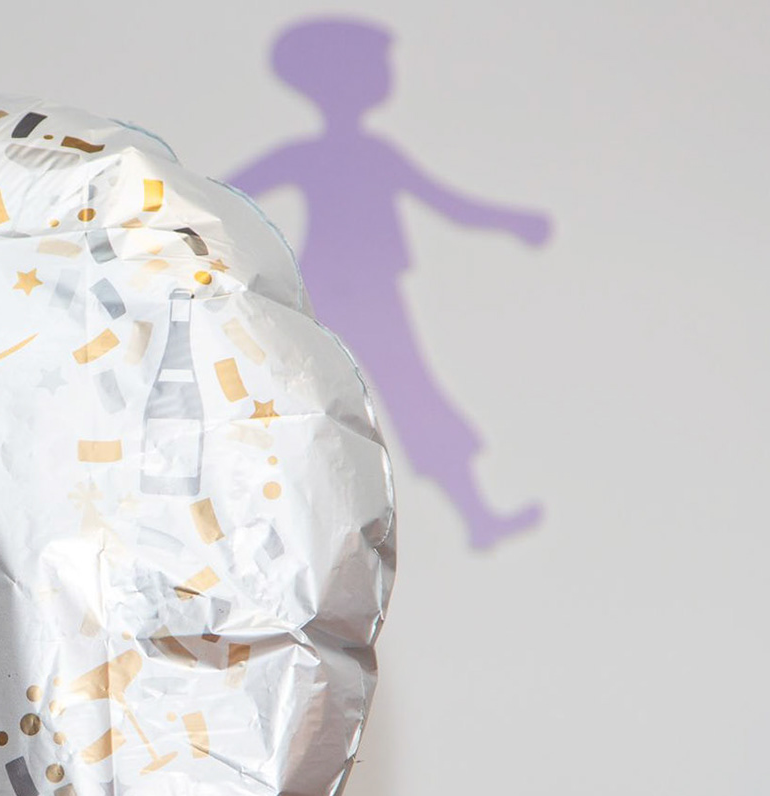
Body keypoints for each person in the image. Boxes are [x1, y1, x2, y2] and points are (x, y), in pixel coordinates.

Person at [228, 19, 550, 550]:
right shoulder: (314, 155)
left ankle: (475, 517)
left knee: (408, 394)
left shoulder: (370, 153)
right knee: (323, 396)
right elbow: (233, 191)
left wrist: (513, 222)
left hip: (369, 291)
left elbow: (450, 204)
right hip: (337, 291)